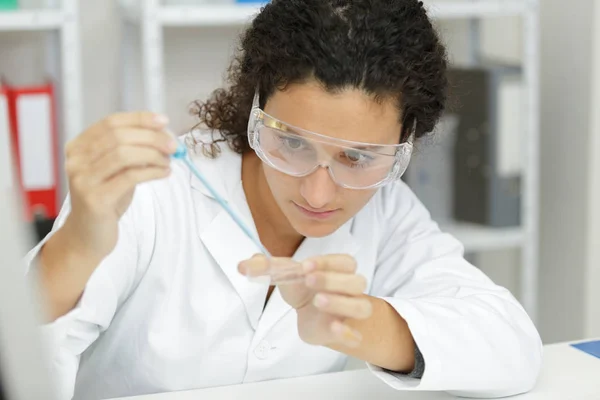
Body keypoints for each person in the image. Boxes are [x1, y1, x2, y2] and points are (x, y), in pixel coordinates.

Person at [25, 0, 542, 399]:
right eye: (292, 143)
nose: (320, 193)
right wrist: (75, 248)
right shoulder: (151, 193)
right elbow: (21, 363)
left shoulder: (385, 213)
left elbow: (513, 346)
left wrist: (360, 323)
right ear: (256, 104)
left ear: (409, 138)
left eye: (358, 158)